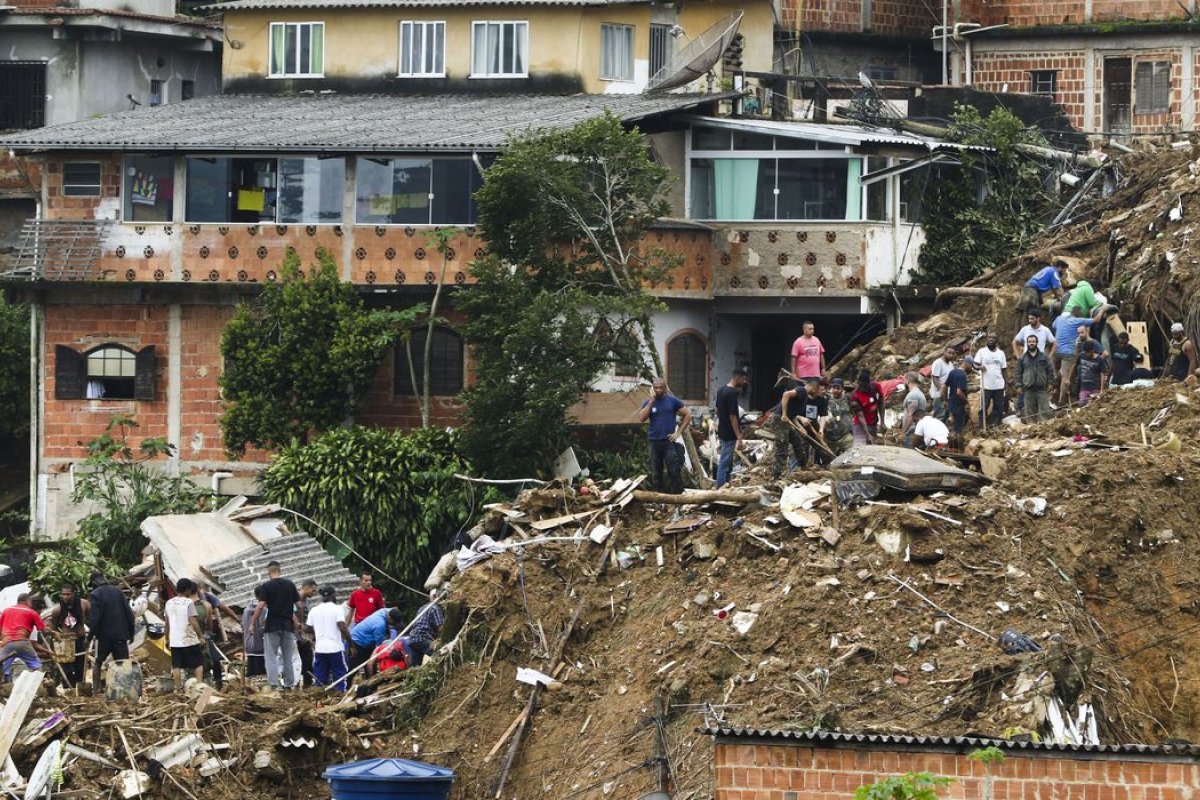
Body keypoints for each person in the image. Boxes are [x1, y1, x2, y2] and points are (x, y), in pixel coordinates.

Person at [250, 560, 300, 691]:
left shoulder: (266, 586)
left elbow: (260, 606)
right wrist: (298, 622)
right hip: (288, 626)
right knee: (288, 657)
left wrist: (252, 623)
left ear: (268, 572)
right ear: (280, 570)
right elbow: (298, 604)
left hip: (272, 626)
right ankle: (289, 685)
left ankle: (274, 685)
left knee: (271, 656)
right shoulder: (290, 585)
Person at [637, 378, 691, 494]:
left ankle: (678, 496)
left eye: (660, 387)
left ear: (665, 388)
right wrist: (651, 402)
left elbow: (687, 415)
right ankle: (659, 500)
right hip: (654, 442)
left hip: (668, 441)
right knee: (656, 472)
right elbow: (641, 418)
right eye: (656, 387)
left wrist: (678, 432)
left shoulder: (672, 401)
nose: (658, 390)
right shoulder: (648, 402)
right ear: (652, 388)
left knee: (674, 470)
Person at [87, 572, 136, 691]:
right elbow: (129, 614)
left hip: (103, 637)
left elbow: (95, 618)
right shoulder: (118, 592)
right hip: (120, 635)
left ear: (94, 582)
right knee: (123, 663)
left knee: (98, 662)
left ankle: (95, 691)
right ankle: (126, 691)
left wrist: (89, 638)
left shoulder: (94, 594)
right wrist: (131, 632)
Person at [305, 587, 350, 690]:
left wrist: (318, 630)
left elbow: (307, 628)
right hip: (336, 648)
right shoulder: (338, 609)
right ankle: (340, 697)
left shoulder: (314, 610)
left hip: (320, 649)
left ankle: (320, 699)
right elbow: (342, 626)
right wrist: (351, 644)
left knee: (320, 677)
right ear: (333, 595)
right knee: (340, 676)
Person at [164, 579, 205, 690]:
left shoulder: (168, 603)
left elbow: (167, 623)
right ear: (187, 589)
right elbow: (192, 620)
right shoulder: (188, 602)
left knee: (176, 665)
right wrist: (200, 636)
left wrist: (167, 638)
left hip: (175, 641)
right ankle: (198, 688)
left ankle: (177, 690)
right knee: (198, 663)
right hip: (189, 639)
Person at [0, 594, 50, 678]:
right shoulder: (31, 612)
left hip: (7, 643)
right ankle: (39, 684)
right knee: (36, 665)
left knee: (6, 668)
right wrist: (54, 633)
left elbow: (0, 629)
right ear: (27, 601)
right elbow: (44, 630)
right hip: (22, 641)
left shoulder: (6, 610)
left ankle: (7, 685)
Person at [49, 583, 89, 686]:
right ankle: (69, 688)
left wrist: (90, 636)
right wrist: (53, 644)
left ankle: (80, 690)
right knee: (66, 670)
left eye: (68, 594)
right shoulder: (57, 610)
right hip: (65, 643)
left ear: (73, 593)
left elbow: (92, 620)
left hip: (80, 640)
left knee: (81, 668)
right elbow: (53, 629)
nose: (65, 597)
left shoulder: (84, 604)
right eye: (63, 594)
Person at [713, 368, 747, 488]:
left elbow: (717, 410)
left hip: (722, 430)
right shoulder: (732, 393)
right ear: (737, 378)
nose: (744, 382)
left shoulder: (721, 390)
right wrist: (739, 436)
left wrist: (722, 422)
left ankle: (726, 485)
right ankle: (721, 488)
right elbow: (733, 416)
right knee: (724, 462)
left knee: (727, 461)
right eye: (743, 379)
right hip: (729, 433)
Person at [1053, 306, 1093, 407]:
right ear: (1078, 314)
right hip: (1068, 353)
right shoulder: (1077, 321)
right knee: (1065, 378)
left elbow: (1053, 326)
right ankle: (1061, 402)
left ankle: (1055, 383)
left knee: (1060, 373)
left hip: (1056, 351)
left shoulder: (1059, 319)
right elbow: (1096, 320)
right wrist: (1103, 309)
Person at [349, 607, 404, 680]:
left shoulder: (386, 611)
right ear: (390, 618)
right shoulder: (380, 625)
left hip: (368, 641)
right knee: (355, 667)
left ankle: (371, 683)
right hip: (358, 641)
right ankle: (345, 687)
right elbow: (381, 647)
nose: (394, 625)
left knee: (371, 666)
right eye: (394, 623)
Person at [774, 379, 812, 477]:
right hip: (780, 420)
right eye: (820, 387)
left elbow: (793, 415)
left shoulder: (804, 397)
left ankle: (803, 466)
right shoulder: (802, 390)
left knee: (798, 442)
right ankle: (776, 475)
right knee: (782, 447)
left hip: (787, 420)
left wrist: (800, 428)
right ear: (814, 386)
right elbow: (786, 394)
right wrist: (784, 414)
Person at [1015, 334, 1055, 423]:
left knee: (1044, 411)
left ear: (1037, 343)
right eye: (1029, 342)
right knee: (1029, 413)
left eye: (1033, 341)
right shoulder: (1022, 358)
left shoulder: (1044, 357)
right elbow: (1018, 372)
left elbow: (1050, 371)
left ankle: (1044, 429)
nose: (1031, 343)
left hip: (1042, 389)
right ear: (1027, 343)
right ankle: (1031, 429)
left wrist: (1051, 383)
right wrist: (1018, 385)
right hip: (1028, 389)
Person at [400, 592, 445, 668]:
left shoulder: (422, 608)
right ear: (435, 596)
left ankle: (412, 678)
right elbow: (440, 628)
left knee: (415, 667)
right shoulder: (435, 608)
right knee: (441, 653)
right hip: (423, 638)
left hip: (412, 639)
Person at [974, 334, 1008, 428]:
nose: (991, 339)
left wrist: (1006, 382)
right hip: (986, 386)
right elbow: (975, 364)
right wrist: (979, 367)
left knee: (998, 407)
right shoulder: (981, 352)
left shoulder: (1001, 353)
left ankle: (994, 424)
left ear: (996, 340)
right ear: (987, 339)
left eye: (993, 338)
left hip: (998, 385)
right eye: (989, 338)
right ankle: (982, 426)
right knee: (984, 407)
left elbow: (1004, 369)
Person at [851, 370, 886, 443]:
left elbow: (881, 403)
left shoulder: (876, 387)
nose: (862, 389)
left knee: (872, 448)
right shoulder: (855, 397)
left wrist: (882, 422)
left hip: (873, 424)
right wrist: (867, 434)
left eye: (865, 386)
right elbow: (860, 416)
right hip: (860, 425)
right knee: (859, 449)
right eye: (861, 386)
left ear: (869, 383)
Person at [295, 579, 318, 687]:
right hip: (294, 635)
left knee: (307, 660)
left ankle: (307, 685)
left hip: (305, 636)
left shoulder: (307, 602)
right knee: (296, 662)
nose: (313, 594)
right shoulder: (293, 599)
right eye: (312, 591)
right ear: (306, 587)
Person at [822, 378, 854, 455]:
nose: (836, 390)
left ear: (842, 388)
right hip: (829, 437)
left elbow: (854, 412)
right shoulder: (826, 399)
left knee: (853, 455)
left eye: (838, 388)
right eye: (834, 388)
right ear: (830, 388)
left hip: (845, 435)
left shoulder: (847, 398)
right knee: (829, 460)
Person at [1074, 340, 1109, 406]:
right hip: (1084, 387)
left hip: (1095, 387)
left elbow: (1102, 374)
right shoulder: (1082, 355)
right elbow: (1074, 364)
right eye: (1086, 352)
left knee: (1094, 404)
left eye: (1088, 352)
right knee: (1081, 403)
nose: (1087, 354)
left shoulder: (1100, 360)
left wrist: (1101, 389)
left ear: (1092, 350)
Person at [242, 586, 266, 679]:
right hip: (261, 646)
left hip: (249, 646)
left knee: (251, 674)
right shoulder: (264, 610)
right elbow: (263, 627)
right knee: (261, 676)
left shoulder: (246, 610)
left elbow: (244, 625)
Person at [944, 357, 971, 438]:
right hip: (958, 406)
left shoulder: (953, 372)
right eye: (971, 365)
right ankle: (955, 448)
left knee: (949, 426)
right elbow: (959, 392)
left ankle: (946, 444)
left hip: (951, 403)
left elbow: (944, 387)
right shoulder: (962, 375)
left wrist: (945, 400)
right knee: (957, 430)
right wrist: (967, 402)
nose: (971, 368)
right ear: (966, 364)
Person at [900, 372, 927, 448]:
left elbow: (910, 417)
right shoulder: (919, 394)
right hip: (917, 433)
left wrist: (903, 433)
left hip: (911, 434)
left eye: (904, 380)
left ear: (908, 381)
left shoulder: (913, 395)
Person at [929, 347, 956, 422]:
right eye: (949, 352)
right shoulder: (938, 363)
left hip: (947, 395)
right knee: (939, 417)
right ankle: (935, 433)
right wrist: (942, 390)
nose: (950, 355)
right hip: (939, 395)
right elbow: (935, 378)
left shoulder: (951, 364)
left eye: (952, 353)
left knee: (945, 416)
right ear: (944, 352)